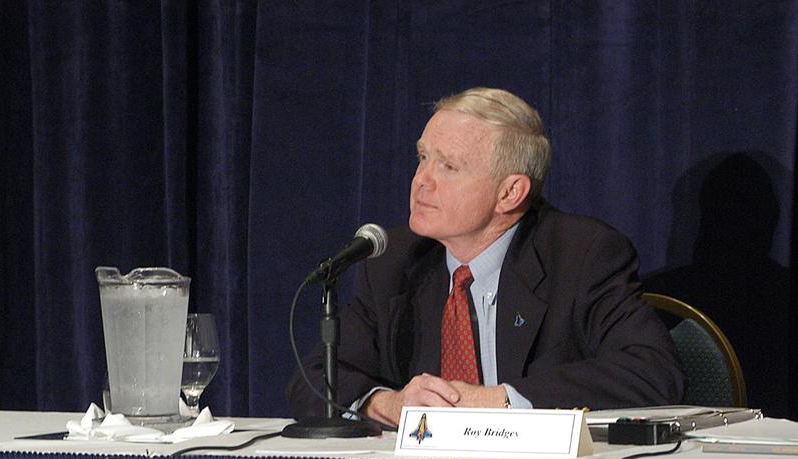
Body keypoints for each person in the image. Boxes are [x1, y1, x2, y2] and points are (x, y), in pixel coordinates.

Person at [287, 87, 682, 427]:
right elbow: (314, 378)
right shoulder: (395, 261)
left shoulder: (580, 254)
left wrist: (495, 401)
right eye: (423, 157)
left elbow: (652, 371)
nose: (422, 180)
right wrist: (388, 404)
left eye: (449, 166)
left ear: (510, 193)